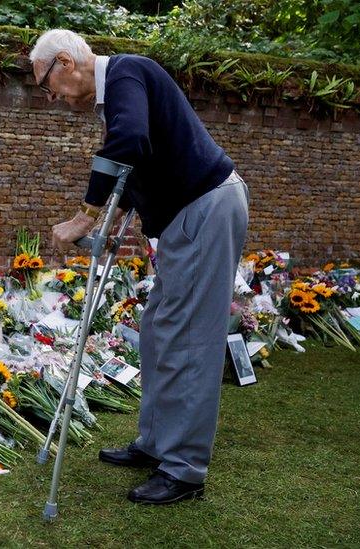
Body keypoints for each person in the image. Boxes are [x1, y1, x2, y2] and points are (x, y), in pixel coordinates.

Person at [31, 29, 249, 505]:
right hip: (185, 216)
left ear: (66, 62)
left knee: (191, 337)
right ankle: (155, 443)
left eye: (48, 85)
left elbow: (129, 142)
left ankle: (184, 469)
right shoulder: (117, 94)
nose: (52, 98)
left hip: (204, 208)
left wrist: (84, 215)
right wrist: (115, 214)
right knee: (158, 330)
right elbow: (140, 158)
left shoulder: (128, 71)